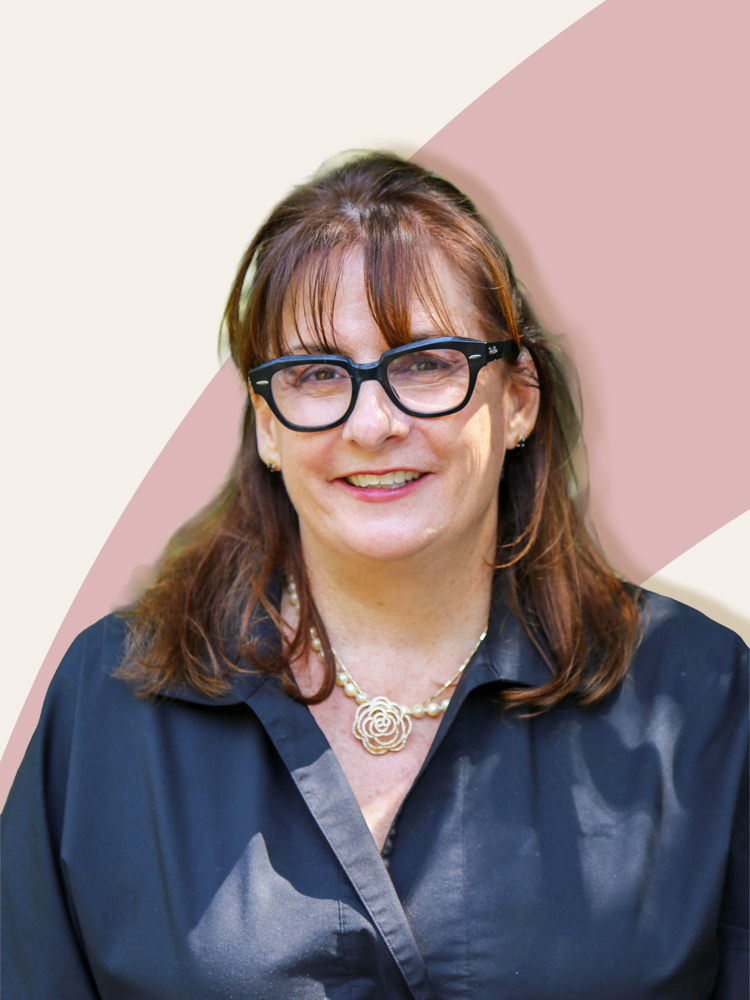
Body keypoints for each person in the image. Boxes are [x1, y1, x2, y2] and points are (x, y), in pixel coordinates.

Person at [2, 152, 747, 999]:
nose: (372, 422)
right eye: (318, 374)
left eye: (427, 362)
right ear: (267, 425)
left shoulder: (706, 698)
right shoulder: (110, 703)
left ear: (519, 399)